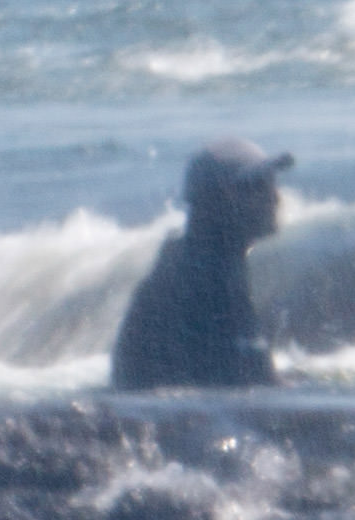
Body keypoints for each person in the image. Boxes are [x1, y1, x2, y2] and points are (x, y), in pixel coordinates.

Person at [110, 137, 291, 389]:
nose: (275, 198)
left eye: (273, 184)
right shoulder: (207, 279)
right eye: (260, 185)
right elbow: (256, 383)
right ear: (222, 199)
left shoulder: (192, 260)